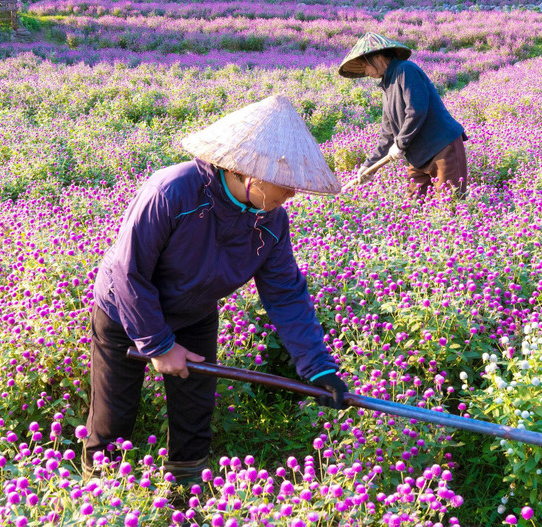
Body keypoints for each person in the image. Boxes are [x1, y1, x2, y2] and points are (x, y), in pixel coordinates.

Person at [83, 94, 349, 484]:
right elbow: (129, 273)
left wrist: (318, 366)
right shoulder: (172, 192)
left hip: (194, 313)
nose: (293, 193)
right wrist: (159, 345)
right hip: (125, 311)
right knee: (114, 413)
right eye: (286, 183)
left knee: (194, 411)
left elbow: (285, 293)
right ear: (249, 172)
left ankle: (184, 490)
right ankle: (98, 488)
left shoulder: (271, 220)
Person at [338, 32, 469, 200]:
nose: (366, 72)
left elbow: (416, 110)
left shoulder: (406, 70)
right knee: (414, 203)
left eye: (365, 66)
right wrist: (368, 166)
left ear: (377, 57)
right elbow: (388, 133)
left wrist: (400, 143)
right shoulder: (387, 86)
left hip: (442, 148)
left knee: (450, 202)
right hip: (418, 156)